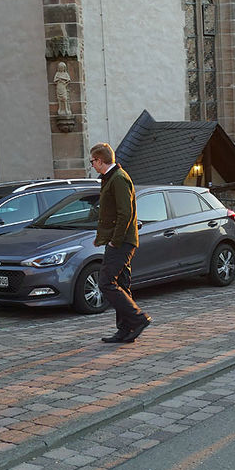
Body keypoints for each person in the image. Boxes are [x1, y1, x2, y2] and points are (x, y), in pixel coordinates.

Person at [90, 142, 151, 344]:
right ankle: (124, 330)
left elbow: (125, 214)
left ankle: (138, 319)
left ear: (99, 160)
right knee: (122, 285)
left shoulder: (118, 178)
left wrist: (115, 241)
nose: (92, 165)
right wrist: (103, 237)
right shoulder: (111, 178)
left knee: (106, 283)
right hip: (118, 240)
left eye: (92, 161)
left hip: (122, 242)